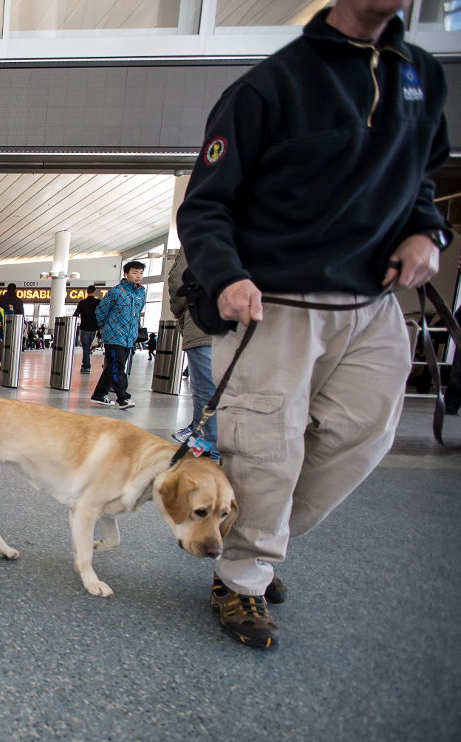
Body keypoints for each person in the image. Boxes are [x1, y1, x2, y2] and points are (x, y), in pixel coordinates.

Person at [177, 0, 451, 649]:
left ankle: (247, 542)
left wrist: (426, 230)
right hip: (278, 299)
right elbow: (207, 205)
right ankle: (242, 575)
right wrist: (229, 276)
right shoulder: (270, 87)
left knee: (364, 433)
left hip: (373, 298)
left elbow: (420, 175)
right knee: (267, 448)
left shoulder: (423, 77)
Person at [165, 250, 219, 460]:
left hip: (203, 321)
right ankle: (206, 451)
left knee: (206, 393)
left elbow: (178, 279)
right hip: (245, 326)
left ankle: (207, 455)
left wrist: (185, 312)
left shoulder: (202, 233)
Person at [90, 262, 146, 410]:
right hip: (114, 335)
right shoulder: (116, 291)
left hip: (129, 337)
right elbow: (101, 311)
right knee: (118, 367)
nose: (138, 276)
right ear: (126, 274)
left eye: (140, 272)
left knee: (112, 367)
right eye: (135, 272)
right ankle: (123, 398)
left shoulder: (141, 292)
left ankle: (99, 394)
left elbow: (138, 312)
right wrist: (105, 327)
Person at [72, 284, 101, 372]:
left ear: (86, 292)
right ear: (94, 292)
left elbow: (75, 315)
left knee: (86, 348)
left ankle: (87, 366)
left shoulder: (82, 303)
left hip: (84, 328)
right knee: (87, 348)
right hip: (94, 329)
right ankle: (85, 365)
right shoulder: (98, 302)